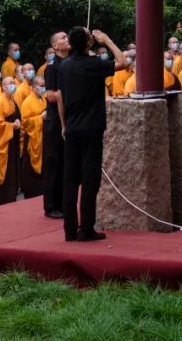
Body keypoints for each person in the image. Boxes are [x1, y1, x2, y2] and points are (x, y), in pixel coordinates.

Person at [57, 25, 127, 243]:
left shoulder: (64, 66)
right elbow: (124, 62)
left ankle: (69, 230)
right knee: (89, 180)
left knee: (70, 180)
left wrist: (63, 124)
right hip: (92, 128)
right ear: (89, 43)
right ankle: (86, 228)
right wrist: (107, 40)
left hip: (72, 127)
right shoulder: (94, 64)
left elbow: (60, 97)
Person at [42, 29, 70, 220]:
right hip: (54, 121)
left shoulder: (71, 63)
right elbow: (50, 94)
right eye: (63, 38)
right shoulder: (52, 67)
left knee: (67, 164)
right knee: (54, 163)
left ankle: (64, 202)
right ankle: (51, 205)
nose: (66, 39)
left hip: (70, 117)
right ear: (55, 46)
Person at [0, 75, 22, 205]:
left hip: (12, 140)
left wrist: (18, 121)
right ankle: (1, 200)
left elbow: (16, 115)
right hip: (3, 141)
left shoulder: (12, 99)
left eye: (14, 82)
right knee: (4, 170)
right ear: (3, 86)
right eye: (10, 83)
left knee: (12, 169)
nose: (13, 85)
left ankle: (11, 197)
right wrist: (13, 125)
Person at [19, 74, 46, 199]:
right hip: (32, 138)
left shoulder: (43, 98)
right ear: (34, 87)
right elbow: (26, 123)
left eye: (44, 86)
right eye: (41, 86)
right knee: (30, 167)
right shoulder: (27, 102)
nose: (43, 88)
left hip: (43, 137)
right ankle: (31, 192)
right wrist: (41, 118)